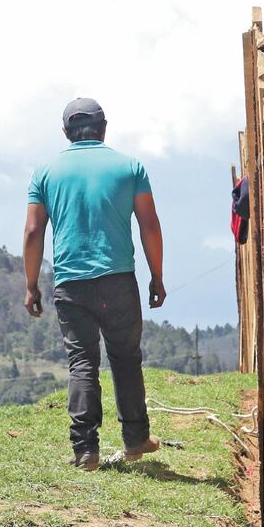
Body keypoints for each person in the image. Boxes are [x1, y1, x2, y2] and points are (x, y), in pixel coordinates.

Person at [23, 98, 166, 472]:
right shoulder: (129, 166)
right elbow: (149, 224)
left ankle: (86, 450)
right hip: (118, 278)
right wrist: (157, 275)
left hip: (71, 282)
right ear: (103, 128)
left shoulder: (46, 171)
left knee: (82, 362)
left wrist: (31, 284)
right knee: (126, 357)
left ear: (66, 132)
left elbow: (34, 230)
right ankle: (136, 438)